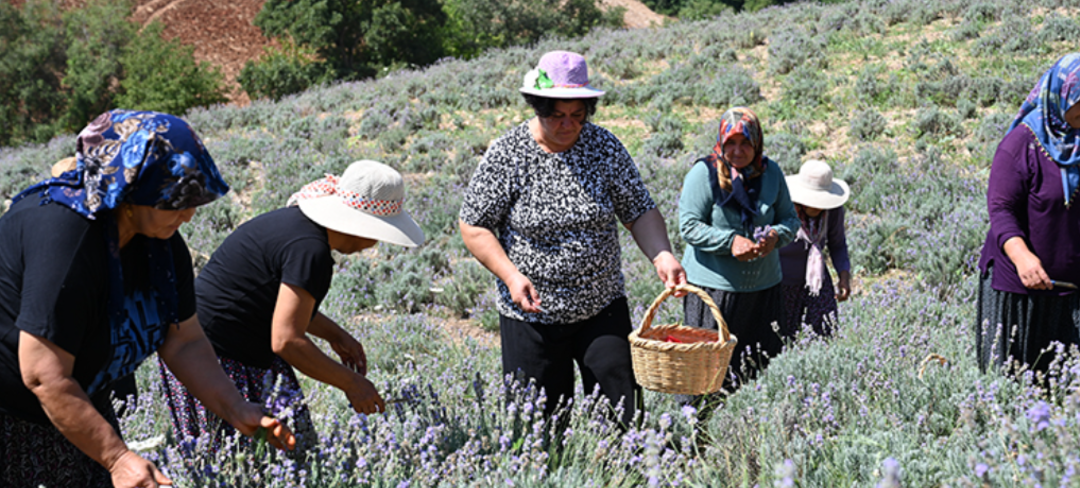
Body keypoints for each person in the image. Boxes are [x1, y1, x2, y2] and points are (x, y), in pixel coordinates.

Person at [0, 110, 295, 488]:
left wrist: (237, 408)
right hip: (16, 418)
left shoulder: (158, 240)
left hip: (78, 404)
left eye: (194, 200)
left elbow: (184, 341)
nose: (190, 213)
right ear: (127, 193)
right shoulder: (66, 235)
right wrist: (116, 457)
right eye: (175, 200)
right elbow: (42, 374)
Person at [459, 50, 685, 427]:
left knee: (624, 414)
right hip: (531, 313)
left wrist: (662, 254)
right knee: (537, 424)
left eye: (577, 116)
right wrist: (512, 277)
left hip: (601, 306)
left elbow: (639, 209)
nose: (567, 125)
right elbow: (474, 225)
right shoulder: (508, 154)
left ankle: (632, 479)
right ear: (537, 107)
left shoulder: (604, 147)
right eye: (556, 115)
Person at [162, 160, 425, 453]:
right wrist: (352, 383)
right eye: (378, 232)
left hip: (219, 346)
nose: (375, 243)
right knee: (248, 466)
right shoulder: (310, 251)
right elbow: (287, 340)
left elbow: (282, 303)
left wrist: (336, 335)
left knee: (288, 453)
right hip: (213, 359)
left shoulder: (297, 227)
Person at [678, 107, 800, 390]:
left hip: (763, 291)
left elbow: (790, 219)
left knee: (759, 369)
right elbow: (689, 226)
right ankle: (697, 431)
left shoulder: (771, 174)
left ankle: (746, 430)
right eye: (730, 142)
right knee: (705, 376)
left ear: (757, 143)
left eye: (746, 142)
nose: (737, 150)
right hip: (714, 293)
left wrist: (775, 236)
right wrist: (729, 242)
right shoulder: (704, 173)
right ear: (720, 142)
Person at [977, 53, 1080, 377]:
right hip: (1018, 288)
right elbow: (1001, 210)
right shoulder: (1020, 144)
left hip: (1072, 287)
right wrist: (1022, 257)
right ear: (1061, 96)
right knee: (1012, 384)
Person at [779, 159, 852, 339]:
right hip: (782, 283)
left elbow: (838, 244)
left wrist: (844, 276)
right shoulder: (784, 209)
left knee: (826, 333)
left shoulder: (833, 211)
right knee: (781, 338)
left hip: (816, 282)